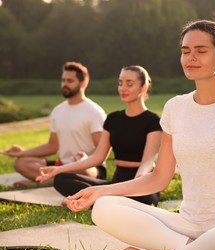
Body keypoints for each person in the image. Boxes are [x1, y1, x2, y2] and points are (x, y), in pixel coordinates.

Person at [52, 20, 215, 250]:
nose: (191, 58)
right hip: (187, 225)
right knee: (104, 208)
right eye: (185, 51)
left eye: (201, 51)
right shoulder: (175, 107)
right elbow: (160, 178)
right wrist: (100, 191)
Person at [38, 65, 162, 206]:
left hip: (141, 183)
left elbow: (147, 161)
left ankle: (98, 199)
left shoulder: (153, 121)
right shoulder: (113, 119)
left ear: (143, 87)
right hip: (116, 181)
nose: (123, 88)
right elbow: (97, 157)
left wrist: (136, 183)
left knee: (142, 199)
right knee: (62, 179)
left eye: (129, 84)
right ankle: (106, 199)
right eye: (120, 83)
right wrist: (58, 169)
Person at [1, 62, 107, 187]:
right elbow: (52, 146)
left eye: (70, 81)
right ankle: (55, 181)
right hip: (61, 165)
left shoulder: (94, 112)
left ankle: (45, 182)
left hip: (88, 167)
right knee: (21, 163)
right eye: (63, 80)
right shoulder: (58, 111)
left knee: (84, 171)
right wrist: (23, 152)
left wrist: (85, 160)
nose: (65, 84)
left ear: (83, 82)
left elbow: (101, 149)